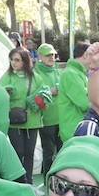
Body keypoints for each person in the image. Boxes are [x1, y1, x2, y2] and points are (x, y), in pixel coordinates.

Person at [4, 47, 49, 183]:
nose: (14, 63)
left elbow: (45, 96)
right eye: (12, 60)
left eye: (17, 60)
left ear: (25, 61)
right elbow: (0, 96)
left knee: (29, 153)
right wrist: (6, 94)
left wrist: (39, 99)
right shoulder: (7, 76)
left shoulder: (35, 77)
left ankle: (29, 183)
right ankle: (18, 182)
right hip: (14, 121)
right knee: (18, 152)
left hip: (32, 120)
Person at [34, 43, 63, 177]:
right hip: (45, 119)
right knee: (48, 152)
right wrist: (49, 91)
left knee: (63, 151)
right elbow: (35, 93)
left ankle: (62, 177)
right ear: (40, 56)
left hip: (62, 118)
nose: (51, 57)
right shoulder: (35, 73)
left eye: (53, 55)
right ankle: (48, 180)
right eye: (48, 55)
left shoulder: (58, 71)